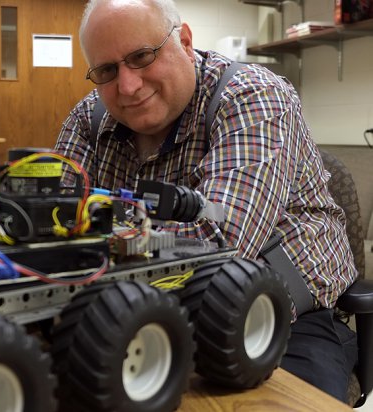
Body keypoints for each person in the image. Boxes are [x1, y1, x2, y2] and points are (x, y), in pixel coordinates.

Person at [54, 0, 359, 403]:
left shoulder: (252, 95)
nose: (127, 86)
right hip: (130, 314)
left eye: (142, 57)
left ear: (183, 41)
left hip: (276, 318)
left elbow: (220, 246)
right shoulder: (87, 119)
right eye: (108, 70)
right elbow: (51, 225)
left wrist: (92, 241)